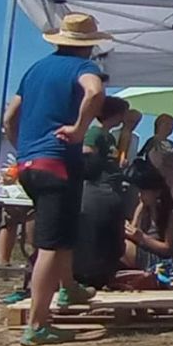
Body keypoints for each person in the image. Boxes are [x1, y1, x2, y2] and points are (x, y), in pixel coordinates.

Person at [2, 12, 109, 346]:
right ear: (89, 45)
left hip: (29, 164)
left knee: (61, 231)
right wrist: (78, 129)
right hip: (58, 161)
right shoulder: (83, 68)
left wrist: (23, 148)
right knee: (49, 243)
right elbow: (95, 93)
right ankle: (37, 325)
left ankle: (69, 288)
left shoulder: (35, 70)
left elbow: (9, 118)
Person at [73, 95, 133, 290]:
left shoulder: (110, 136)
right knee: (95, 234)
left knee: (112, 234)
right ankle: (89, 275)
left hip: (112, 188)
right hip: (97, 187)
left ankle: (107, 274)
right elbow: (86, 152)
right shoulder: (94, 132)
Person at [131, 114, 173, 236]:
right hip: (153, 178)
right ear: (159, 125)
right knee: (147, 202)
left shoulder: (170, 143)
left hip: (167, 180)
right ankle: (140, 227)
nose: (170, 128)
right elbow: (156, 160)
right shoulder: (154, 142)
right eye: (168, 124)